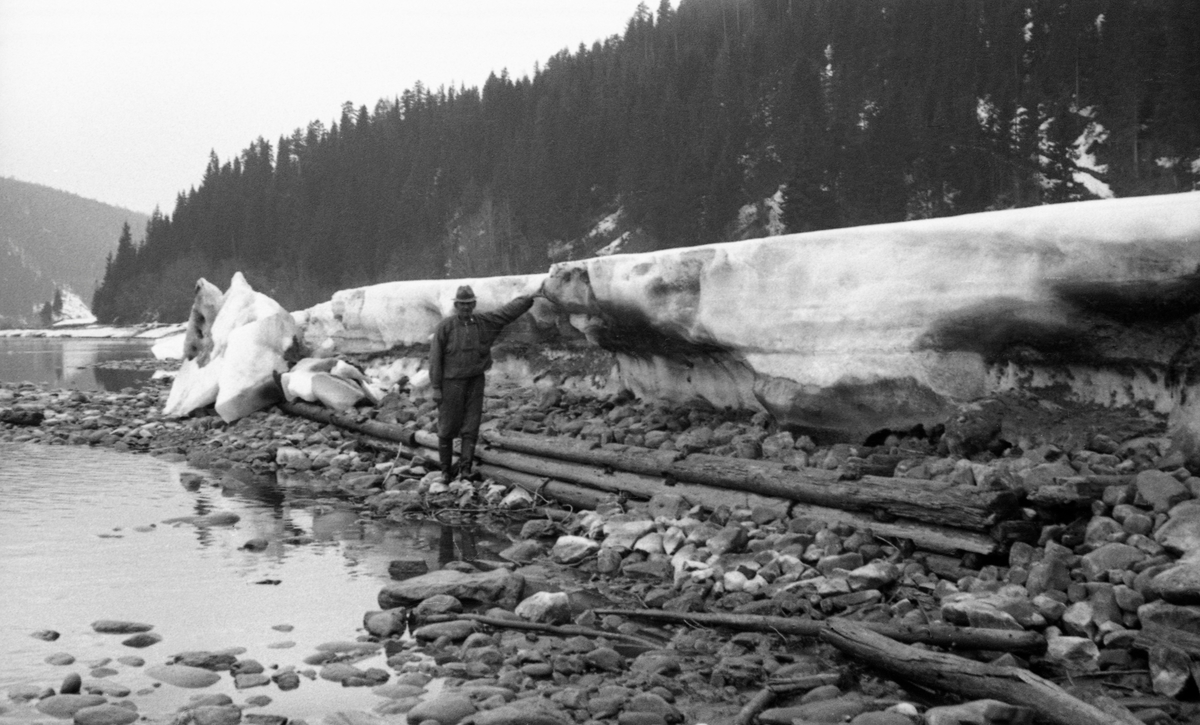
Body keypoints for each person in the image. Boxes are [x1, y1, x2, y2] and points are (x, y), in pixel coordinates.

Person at [429, 283, 541, 482]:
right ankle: (446, 471)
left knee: (471, 426)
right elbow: (435, 358)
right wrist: (436, 387)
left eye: (469, 304)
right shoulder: (445, 327)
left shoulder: (483, 322)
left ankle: (465, 469)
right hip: (451, 383)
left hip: (475, 380)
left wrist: (529, 298)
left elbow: (506, 313)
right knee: (447, 427)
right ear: (456, 305)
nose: (465, 308)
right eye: (461, 304)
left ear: (474, 304)